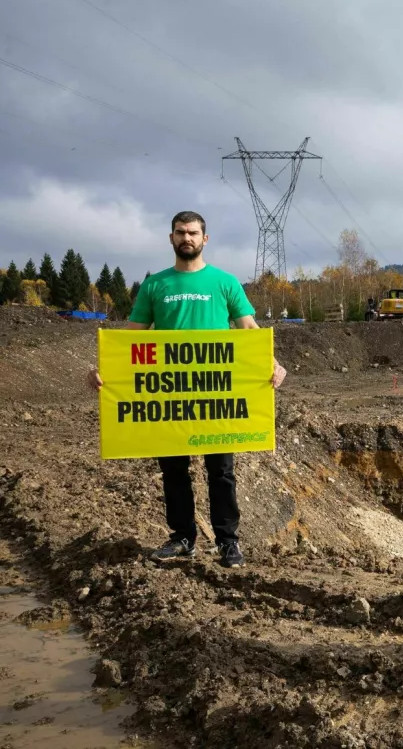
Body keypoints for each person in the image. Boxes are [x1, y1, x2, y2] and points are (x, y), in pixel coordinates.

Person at [87, 211, 287, 568]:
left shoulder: (225, 283)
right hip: (171, 396)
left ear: (205, 239)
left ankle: (228, 542)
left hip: (216, 396)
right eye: (181, 232)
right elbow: (132, 334)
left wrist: (272, 363)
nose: (187, 238)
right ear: (171, 238)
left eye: (193, 233)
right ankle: (182, 537)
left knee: (221, 472)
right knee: (174, 472)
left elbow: (249, 328)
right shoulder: (156, 285)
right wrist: (104, 368)